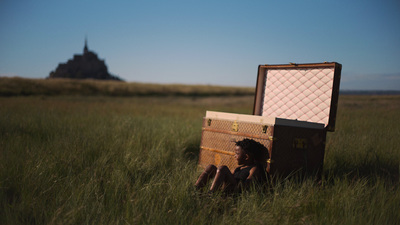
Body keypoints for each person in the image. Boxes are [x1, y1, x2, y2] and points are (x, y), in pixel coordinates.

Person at [195, 138, 269, 193]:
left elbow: (247, 184)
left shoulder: (254, 168)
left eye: (237, 154)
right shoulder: (238, 168)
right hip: (229, 187)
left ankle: (211, 194)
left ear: (246, 157)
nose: (235, 156)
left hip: (236, 191)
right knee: (210, 167)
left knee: (223, 168)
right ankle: (196, 190)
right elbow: (227, 176)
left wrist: (234, 182)